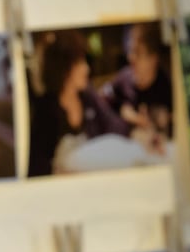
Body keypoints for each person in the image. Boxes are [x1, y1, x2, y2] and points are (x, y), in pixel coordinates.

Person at [26, 29, 134, 177]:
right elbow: (37, 166)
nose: (86, 68)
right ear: (64, 67)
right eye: (80, 62)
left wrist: (135, 126)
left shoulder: (87, 97)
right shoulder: (46, 110)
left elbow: (116, 128)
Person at [100, 22, 172, 144]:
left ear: (153, 59)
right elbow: (103, 96)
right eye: (131, 51)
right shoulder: (124, 78)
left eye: (137, 53)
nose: (130, 57)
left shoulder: (168, 87)